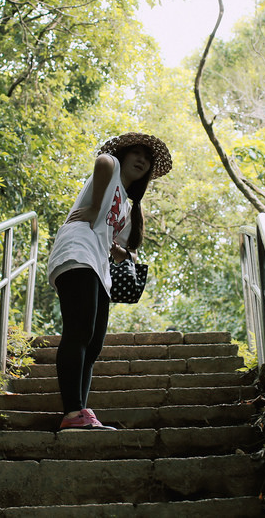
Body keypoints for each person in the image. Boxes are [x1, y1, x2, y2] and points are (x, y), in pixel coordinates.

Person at [46, 132, 172, 431]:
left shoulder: (127, 205)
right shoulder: (111, 168)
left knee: (94, 344)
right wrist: (94, 205)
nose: (142, 160)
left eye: (147, 159)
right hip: (77, 250)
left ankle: (81, 412)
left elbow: (124, 249)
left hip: (99, 266)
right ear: (124, 156)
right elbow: (102, 161)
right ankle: (72, 412)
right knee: (79, 331)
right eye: (137, 153)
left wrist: (118, 249)